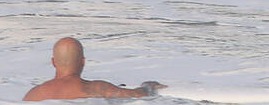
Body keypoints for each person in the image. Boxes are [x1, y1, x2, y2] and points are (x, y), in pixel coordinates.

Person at [23, 37, 164, 101]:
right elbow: (139, 95)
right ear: (83, 62)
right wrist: (148, 86)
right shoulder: (95, 89)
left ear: (53, 62)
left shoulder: (33, 95)